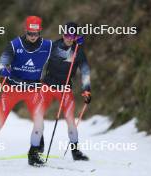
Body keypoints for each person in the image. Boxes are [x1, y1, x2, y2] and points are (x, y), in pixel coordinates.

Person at [0, 16, 52, 169]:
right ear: (25, 30)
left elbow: (67, 52)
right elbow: (0, 64)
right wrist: (2, 70)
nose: (33, 37)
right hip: (11, 89)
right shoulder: (14, 45)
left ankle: (33, 154)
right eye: (30, 33)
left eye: (36, 33)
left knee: (39, 124)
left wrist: (75, 44)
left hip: (33, 90)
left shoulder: (47, 45)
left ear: (40, 31)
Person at [39, 22, 91, 161]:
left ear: (75, 36)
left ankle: (75, 151)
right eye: (67, 35)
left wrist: (87, 90)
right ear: (63, 34)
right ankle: (38, 147)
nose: (69, 38)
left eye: (72, 36)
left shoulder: (78, 51)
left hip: (64, 88)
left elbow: (85, 71)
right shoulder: (53, 46)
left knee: (70, 120)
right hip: (47, 86)